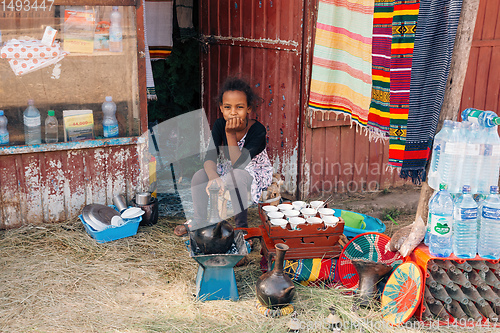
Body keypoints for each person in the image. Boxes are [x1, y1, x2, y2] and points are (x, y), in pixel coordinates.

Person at [174, 77, 273, 236]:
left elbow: (240, 164)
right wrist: (213, 177)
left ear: (248, 109)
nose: (233, 112)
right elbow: (209, 158)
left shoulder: (258, 130)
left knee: (237, 175)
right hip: (229, 169)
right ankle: (199, 219)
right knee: (200, 175)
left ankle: (242, 227)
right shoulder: (220, 125)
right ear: (221, 108)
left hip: (253, 172)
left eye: (239, 107)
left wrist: (230, 134)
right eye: (228, 107)